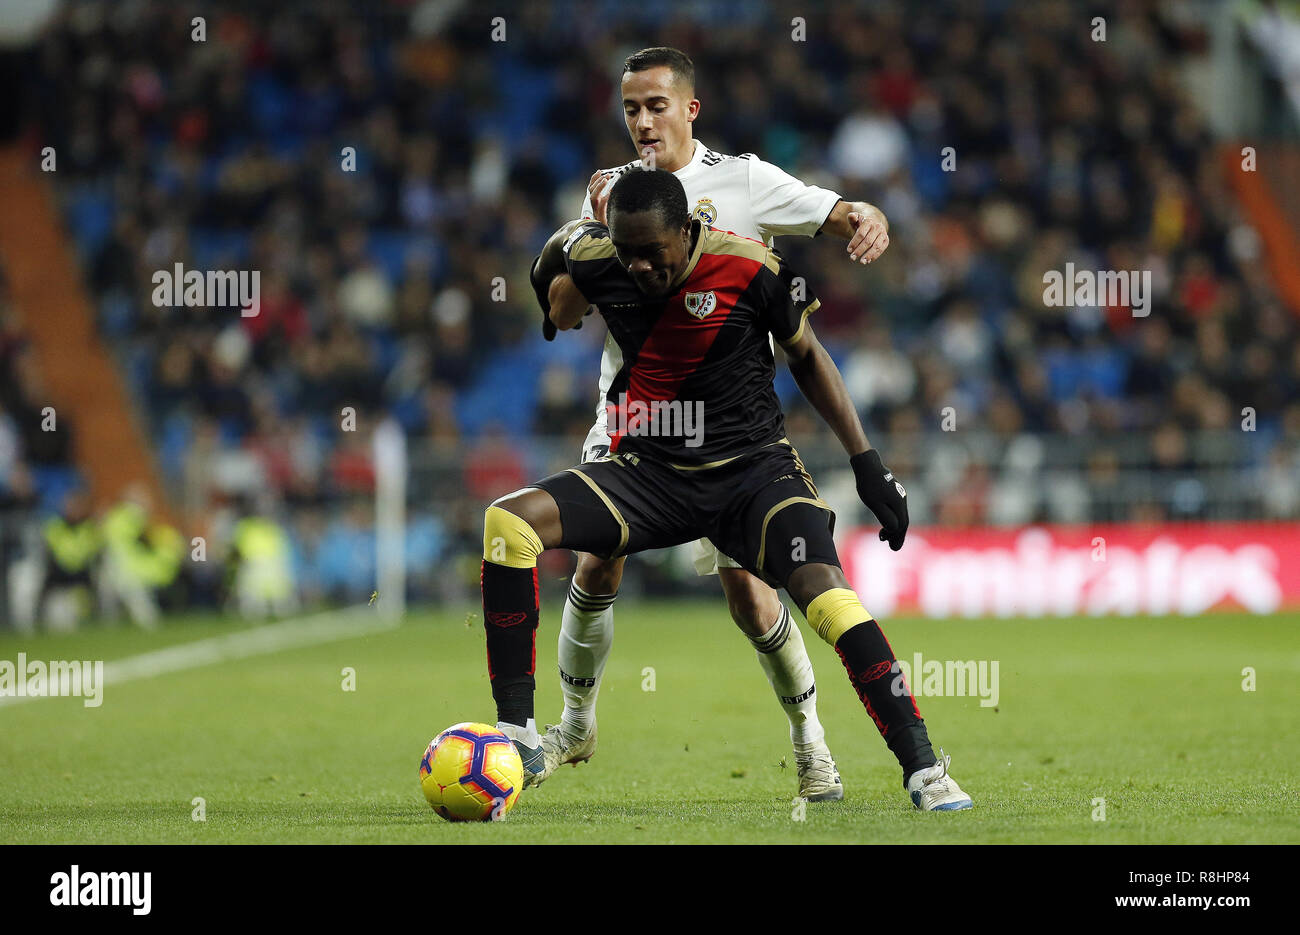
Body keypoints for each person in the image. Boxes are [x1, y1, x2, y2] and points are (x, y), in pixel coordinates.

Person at [483, 168, 970, 810]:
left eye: (654, 252)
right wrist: (559, 282)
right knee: (507, 523)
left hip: (752, 474)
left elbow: (809, 358)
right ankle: (516, 733)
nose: (640, 267)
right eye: (626, 252)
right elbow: (555, 279)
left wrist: (867, 463)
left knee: (825, 598)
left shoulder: (752, 268)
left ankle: (924, 769)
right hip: (649, 474)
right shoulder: (601, 254)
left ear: (689, 231)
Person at [537, 47, 894, 801]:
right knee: (594, 563)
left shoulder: (746, 181)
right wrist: (565, 275)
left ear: (690, 109)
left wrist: (868, 216)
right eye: (630, 108)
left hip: (730, 435)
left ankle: (811, 743)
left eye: (656, 106)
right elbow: (569, 309)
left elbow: (835, 214)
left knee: (752, 598)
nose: (641, 121)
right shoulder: (611, 193)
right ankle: (573, 723)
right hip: (634, 417)